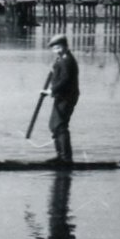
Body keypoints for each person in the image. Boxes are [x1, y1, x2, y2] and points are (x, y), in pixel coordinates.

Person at [43, 33, 79, 164]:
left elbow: (65, 80)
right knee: (53, 125)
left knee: (60, 125)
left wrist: (51, 90)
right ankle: (60, 156)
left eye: (58, 47)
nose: (56, 50)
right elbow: (58, 74)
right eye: (54, 48)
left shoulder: (67, 60)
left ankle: (66, 158)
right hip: (61, 97)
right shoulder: (61, 59)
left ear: (65, 46)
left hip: (67, 97)